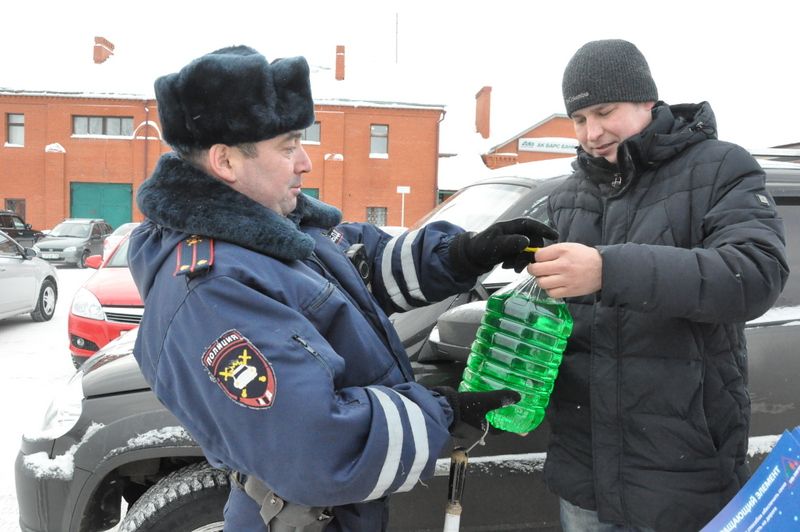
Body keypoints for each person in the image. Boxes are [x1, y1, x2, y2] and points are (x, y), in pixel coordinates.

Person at [127, 45, 556, 531]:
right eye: (288, 147)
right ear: (225, 161)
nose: (305, 162)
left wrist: (464, 254)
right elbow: (313, 444)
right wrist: (442, 415)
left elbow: (358, 268)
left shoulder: (278, 234)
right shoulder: (216, 289)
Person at [528, 39, 789, 532]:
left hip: (682, 473)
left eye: (605, 111)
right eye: (579, 120)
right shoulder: (569, 197)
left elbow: (754, 275)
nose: (592, 132)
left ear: (647, 100)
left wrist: (608, 271)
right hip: (584, 476)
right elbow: (564, 322)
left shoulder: (720, 168)